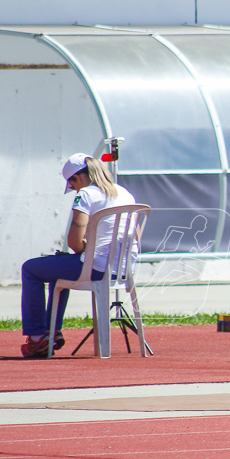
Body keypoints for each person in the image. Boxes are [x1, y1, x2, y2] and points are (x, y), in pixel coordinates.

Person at [20, 153, 138, 358]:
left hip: (96, 268)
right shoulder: (125, 193)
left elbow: (75, 244)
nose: (74, 188)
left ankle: (38, 337)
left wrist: (86, 247)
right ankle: (51, 331)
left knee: (30, 268)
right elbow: (134, 236)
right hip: (123, 270)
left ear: (77, 178)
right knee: (57, 268)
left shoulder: (86, 195)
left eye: (72, 184)